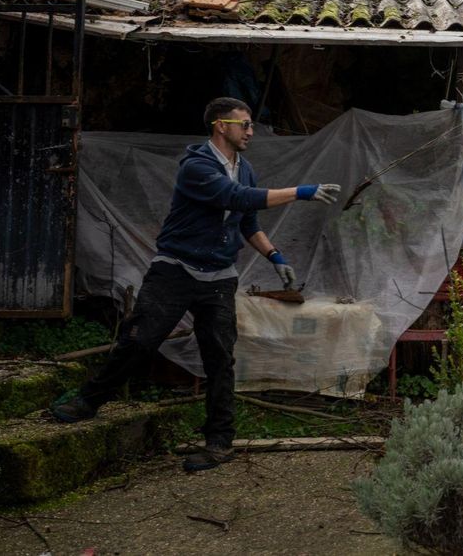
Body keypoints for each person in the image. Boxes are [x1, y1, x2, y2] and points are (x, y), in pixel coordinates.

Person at [51, 97, 341, 472]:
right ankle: (88, 401)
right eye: (245, 124)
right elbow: (233, 197)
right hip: (176, 269)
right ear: (221, 126)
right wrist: (300, 192)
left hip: (218, 277)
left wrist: (276, 257)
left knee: (220, 358)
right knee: (139, 340)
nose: (251, 131)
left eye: (251, 125)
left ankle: (219, 443)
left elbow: (247, 221)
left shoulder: (245, 168)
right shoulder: (196, 166)